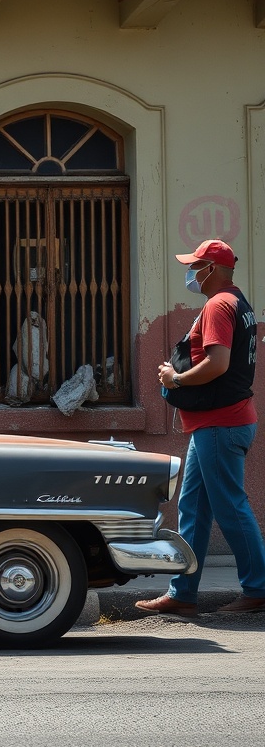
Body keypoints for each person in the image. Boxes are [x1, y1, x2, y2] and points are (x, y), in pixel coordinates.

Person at [136, 239, 265, 617]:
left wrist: (175, 378)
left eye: (195, 266)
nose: (190, 273)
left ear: (211, 269)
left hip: (220, 425)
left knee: (230, 507)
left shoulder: (218, 305)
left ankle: (258, 589)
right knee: (193, 507)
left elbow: (218, 363)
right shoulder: (237, 303)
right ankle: (183, 594)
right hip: (216, 424)